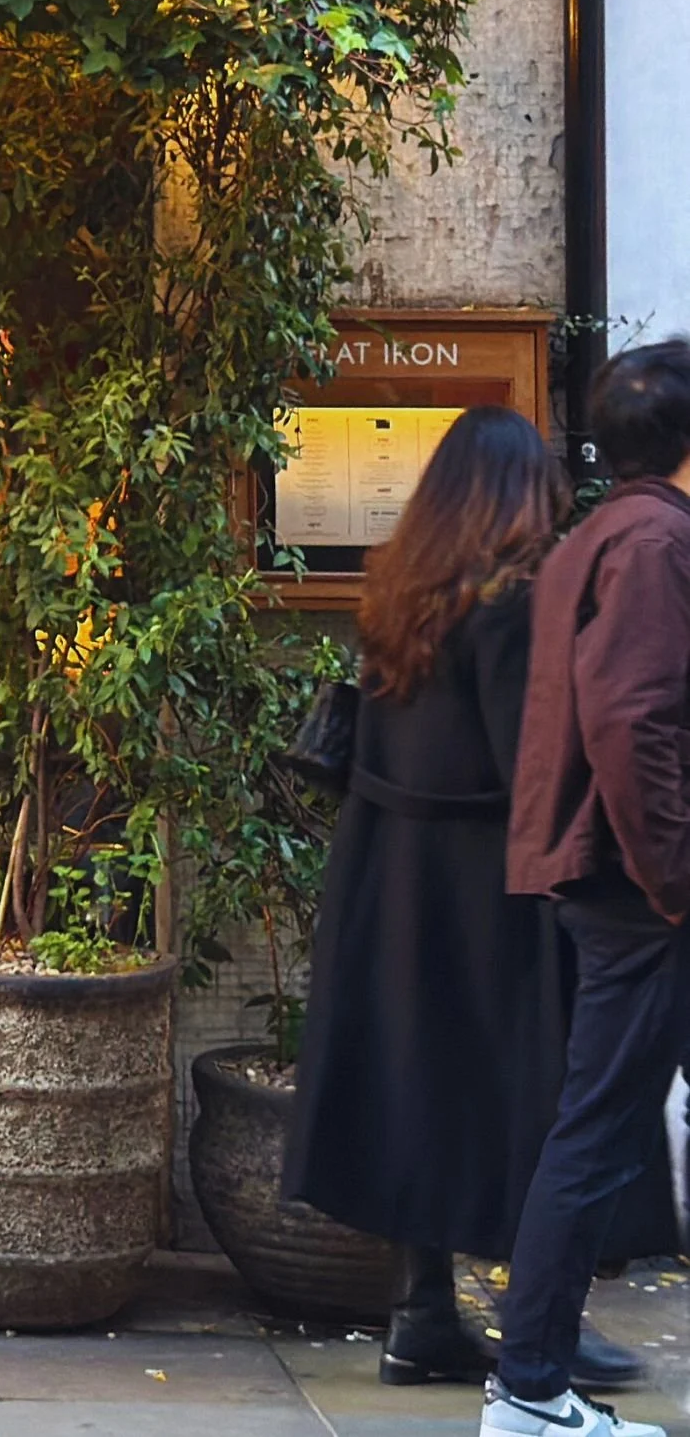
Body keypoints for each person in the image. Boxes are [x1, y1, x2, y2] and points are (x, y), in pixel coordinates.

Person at [285, 408, 639, 1395]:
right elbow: (528, 758)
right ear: (514, 493)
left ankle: (421, 1316)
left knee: (416, 1086)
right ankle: (543, 1318)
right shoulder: (511, 606)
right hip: (482, 882)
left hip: (385, 870)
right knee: (527, 1094)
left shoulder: (400, 590)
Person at [485, 344, 690, 1437]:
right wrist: (673, 874)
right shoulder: (657, 539)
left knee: (599, 1123)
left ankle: (528, 1385)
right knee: (598, 1128)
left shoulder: (597, 535)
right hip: (639, 888)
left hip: (616, 879)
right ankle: (526, 1390)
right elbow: (630, 716)